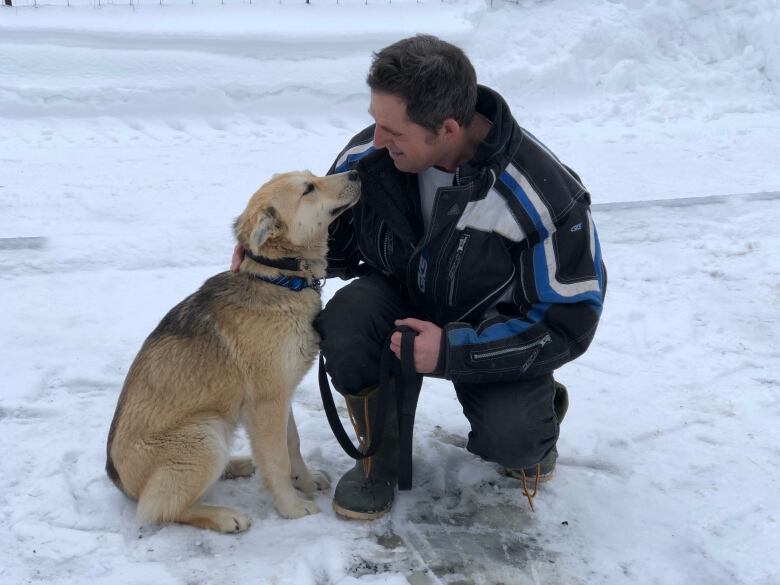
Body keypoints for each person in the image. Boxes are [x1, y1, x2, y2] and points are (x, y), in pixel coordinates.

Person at [234, 34, 606, 520]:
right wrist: (272, 258)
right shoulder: (371, 156)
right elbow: (331, 242)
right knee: (344, 321)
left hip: (487, 327)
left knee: (513, 440)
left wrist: (454, 350)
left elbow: (567, 321)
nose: (376, 139)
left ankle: (535, 420)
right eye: (374, 121)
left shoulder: (542, 195)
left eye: (392, 130)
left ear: (447, 129)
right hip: (401, 297)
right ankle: (379, 458)